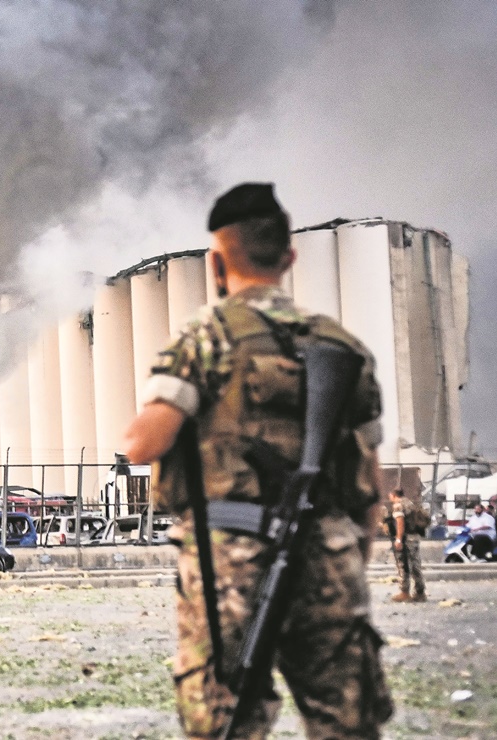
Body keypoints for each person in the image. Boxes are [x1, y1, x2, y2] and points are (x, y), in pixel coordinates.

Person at [124, 182, 392, 739]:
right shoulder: (343, 347)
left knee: (225, 720)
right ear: (289, 257)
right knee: (346, 721)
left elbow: (141, 444)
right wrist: (347, 555)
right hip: (326, 551)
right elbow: (370, 481)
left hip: (230, 559)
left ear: (218, 261)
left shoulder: (208, 337)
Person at [386, 489, 426, 602]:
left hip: (406, 539)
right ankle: (420, 592)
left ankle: (404, 592)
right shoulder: (410, 503)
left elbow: (400, 522)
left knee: (403, 565)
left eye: (390, 496)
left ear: (393, 495)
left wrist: (398, 539)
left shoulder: (398, 505)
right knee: (416, 565)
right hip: (415, 538)